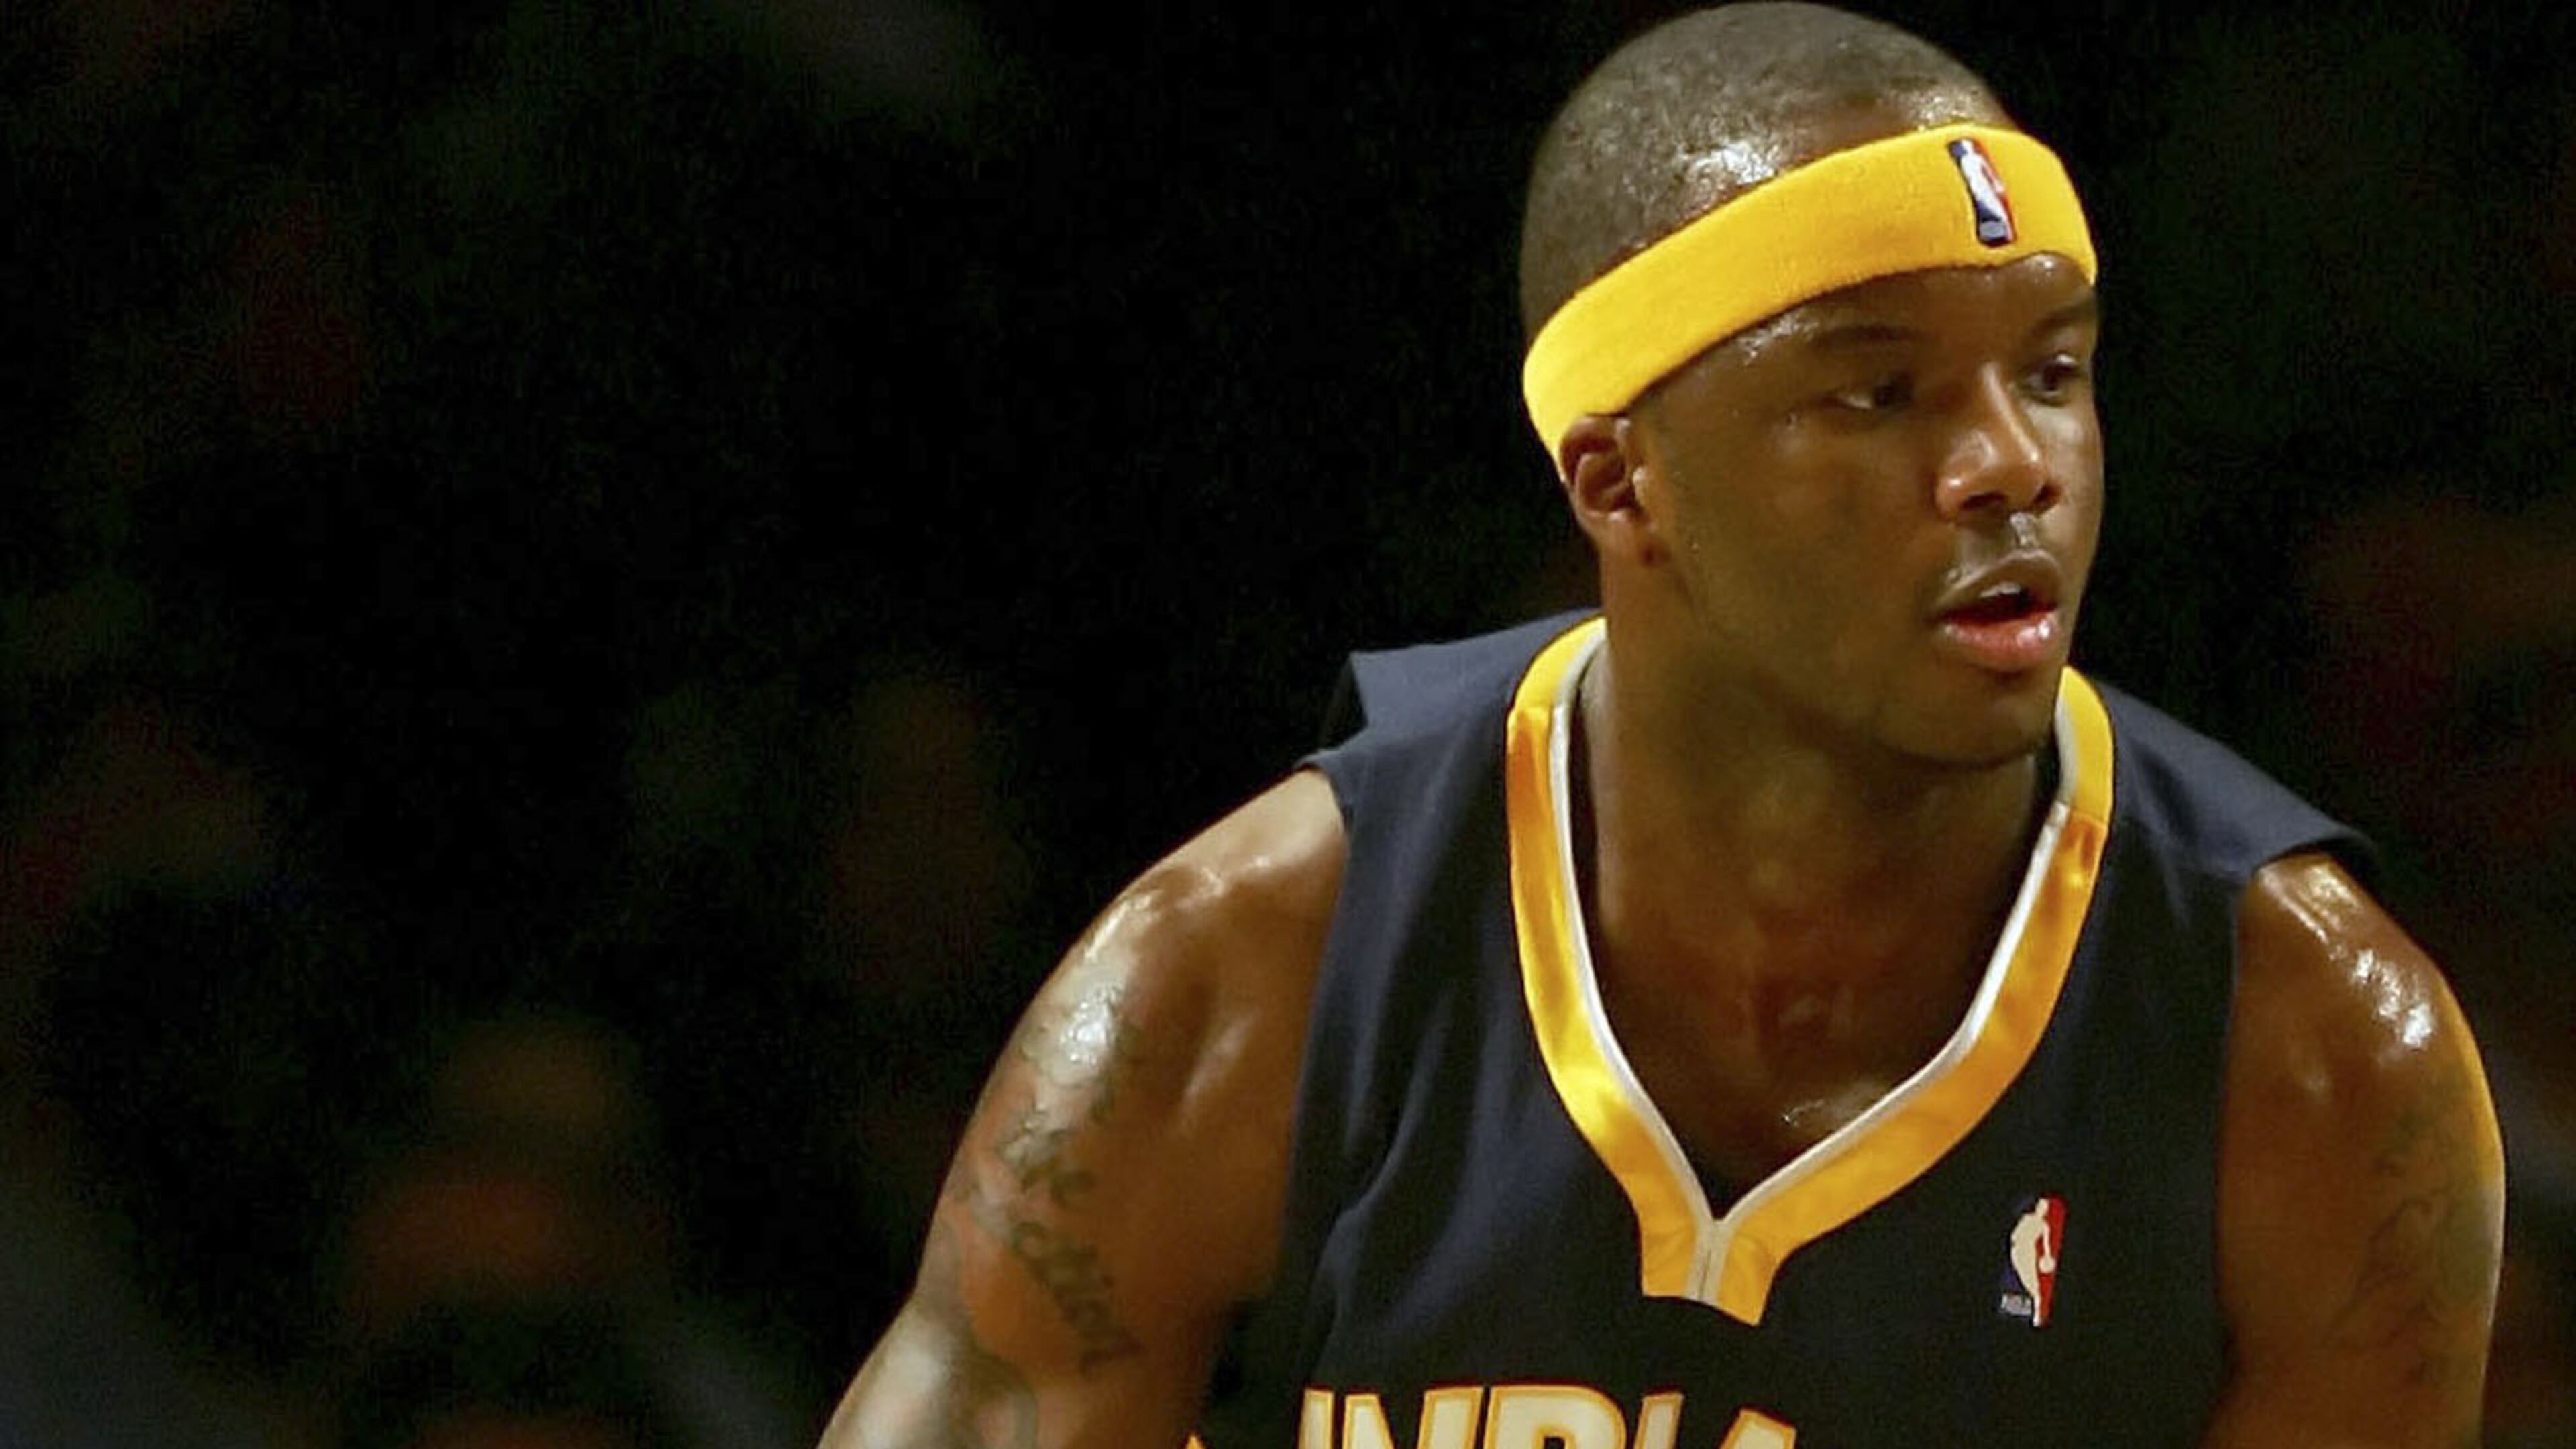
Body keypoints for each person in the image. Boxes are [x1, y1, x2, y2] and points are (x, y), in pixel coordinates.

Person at [816, 5, 2506, 1445]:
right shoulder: (1251, 975)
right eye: (1879, 391)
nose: (2015, 463)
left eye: (2053, 371)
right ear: (1619, 481)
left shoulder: (2312, 1050)